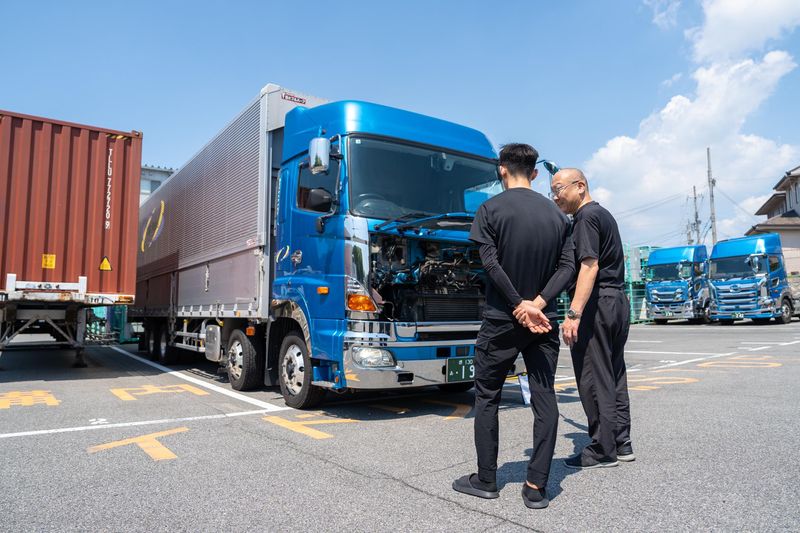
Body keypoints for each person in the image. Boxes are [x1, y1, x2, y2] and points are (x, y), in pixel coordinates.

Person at [453, 143, 574, 510]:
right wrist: (538, 303)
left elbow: (490, 263)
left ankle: (486, 480)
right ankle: (536, 486)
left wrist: (519, 304)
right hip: (543, 321)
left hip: (501, 319)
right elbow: (568, 268)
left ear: (502, 170)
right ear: (535, 173)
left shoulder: (490, 209)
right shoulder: (557, 217)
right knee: (544, 396)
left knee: (488, 396)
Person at [547, 168, 634, 469]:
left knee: (593, 376)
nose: (555, 196)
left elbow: (589, 266)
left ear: (580, 186)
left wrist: (573, 313)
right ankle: (621, 442)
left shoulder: (585, 218)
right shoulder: (604, 215)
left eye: (559, 189)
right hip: (617, 300)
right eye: (552, 191)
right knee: (613, 373)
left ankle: (602, 449)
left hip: (597, 303)